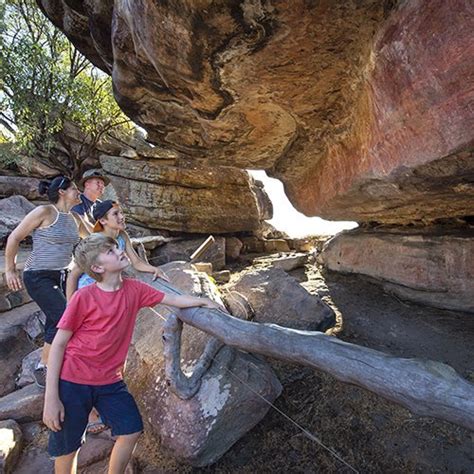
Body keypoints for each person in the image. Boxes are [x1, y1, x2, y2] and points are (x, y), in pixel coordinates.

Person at [43, 233, 222, 473]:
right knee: (68, 448)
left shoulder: (135, 289)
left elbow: (172, 299)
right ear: (97, 267)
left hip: (110, 381)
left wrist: (202, 302)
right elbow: (59, 344)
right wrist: (51, 398)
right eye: (110, 252)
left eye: (116, 248)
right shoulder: (83, 298)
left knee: (131, 430)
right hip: (73, 380)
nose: (119, 251)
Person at [65, 199, 168, 434]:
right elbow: (74, 275)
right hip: (89, 296)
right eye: (116, 214)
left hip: (110, 295)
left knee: (109, 345)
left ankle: (106, 401)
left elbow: (137, 262)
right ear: (102, 220)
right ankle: (90, 411)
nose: (121, 217)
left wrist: (154, 269)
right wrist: (71, 306)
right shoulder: (96, 241)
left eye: (121, 212)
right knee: (86, 349)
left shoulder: (123, 237)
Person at [5, 176, 88, 387]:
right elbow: (14, 237)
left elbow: (93, 239)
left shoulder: (75, 219)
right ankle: (59, 368)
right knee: (65, 316)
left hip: (61, 276)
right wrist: (10, 269)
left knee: (56, 319)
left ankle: (44, 367)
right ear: (62, 192)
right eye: (74, 189)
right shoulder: (44, 212)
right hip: (37, 275)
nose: (78, 192)